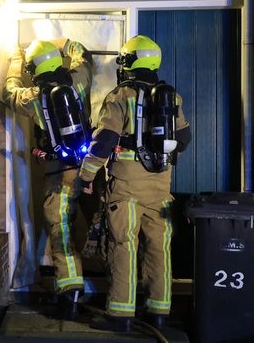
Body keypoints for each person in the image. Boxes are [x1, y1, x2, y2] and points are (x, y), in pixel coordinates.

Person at [77, 35, 191, 332]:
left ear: (130, 62)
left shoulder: (120, 96)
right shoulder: (171, 96)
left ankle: (120, 315)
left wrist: (86, 177)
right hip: (160, 187)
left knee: (123, 245)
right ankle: (158, 311)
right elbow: (185, 139)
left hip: (126, 188)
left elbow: (103, 143)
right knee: (158, 247)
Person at [0, 38, 94, 318]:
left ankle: (70, 293)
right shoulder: (78, 81)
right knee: (100, 227)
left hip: (58, 174)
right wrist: (65, 43)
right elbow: (83, 59)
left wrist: (16, 59)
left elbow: (8, 91)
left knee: (62, 232)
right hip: (89, 170)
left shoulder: (35, 97)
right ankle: (117, 287)